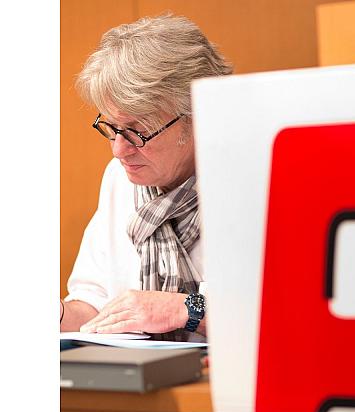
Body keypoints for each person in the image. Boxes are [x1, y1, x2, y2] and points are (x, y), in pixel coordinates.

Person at [60, 14, 232, 341]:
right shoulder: (120, 179)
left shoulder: (257, 179)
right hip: (141, 370)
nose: (118, 150)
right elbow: (97, 309)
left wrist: (184, 308)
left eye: (137, 131)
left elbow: (285, 312)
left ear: (197, 114)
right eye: (111, 128)